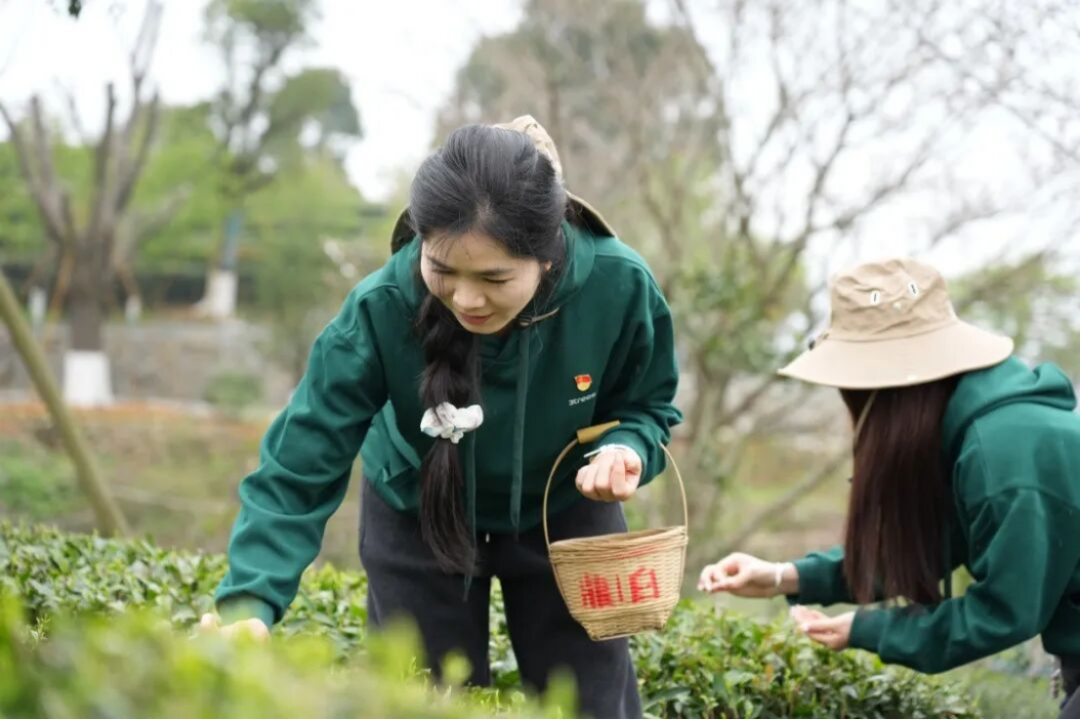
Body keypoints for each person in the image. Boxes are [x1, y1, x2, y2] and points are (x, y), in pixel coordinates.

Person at [201, 115, 681, 719]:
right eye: (443, 271)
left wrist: (629, 446)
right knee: (420, 702)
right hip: (418, 512)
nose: (466, 299)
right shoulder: (381, 306)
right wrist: (250, 605)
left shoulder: (619, 284)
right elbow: (300, 462)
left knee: (590, 704)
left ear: (549, 256)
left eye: (494, 278)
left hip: (565, 509)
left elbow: (648, 402)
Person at [699, 258, 1080, 718]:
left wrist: (870, 629)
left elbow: (1003, 613)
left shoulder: (1006, 453)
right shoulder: (970, 431)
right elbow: (925, 550)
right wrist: (785, 576)